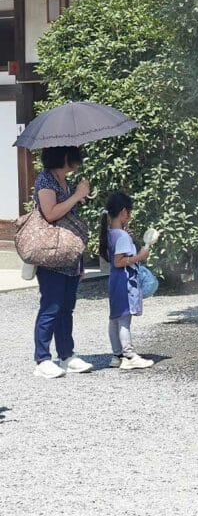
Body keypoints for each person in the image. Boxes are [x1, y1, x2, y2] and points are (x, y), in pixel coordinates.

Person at [32, 146, 93, 378]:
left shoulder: (66, 182)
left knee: (67, 307)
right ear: (65, 156)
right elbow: (50, 213)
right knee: (52, 306)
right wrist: (76, 196)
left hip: (69, 253)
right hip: (51, 254)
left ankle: (67, 355)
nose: (79, 159)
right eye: (75, 155)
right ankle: (42, 358)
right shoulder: (45, 180)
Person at [98, 191, 155, 370]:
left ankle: (117, 356)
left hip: (114, 282)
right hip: (124, 281)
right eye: (129, 213)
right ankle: (129, 356)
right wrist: (140, 256)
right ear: (124, 212)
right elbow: (119, 261)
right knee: (124, 320)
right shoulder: (121, 236)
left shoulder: (111, 233)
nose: (129, 216)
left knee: (114, 319)